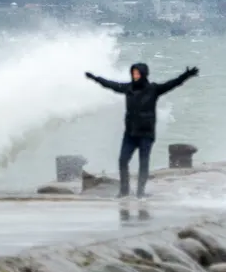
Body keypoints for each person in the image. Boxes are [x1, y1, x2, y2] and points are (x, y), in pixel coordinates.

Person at [85, 62, 199, 199]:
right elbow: (111, 84)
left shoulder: (153, 89)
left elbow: (172, 84)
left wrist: (186, 75)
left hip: (146, 134)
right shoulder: (128, 88)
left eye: (137, 73)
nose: (135, 76)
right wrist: (95, 78)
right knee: (122, 161)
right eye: (133, 73)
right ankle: (124, 191)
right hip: (130, 134)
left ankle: (140, 192)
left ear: (143, 74)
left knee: (143, 163)